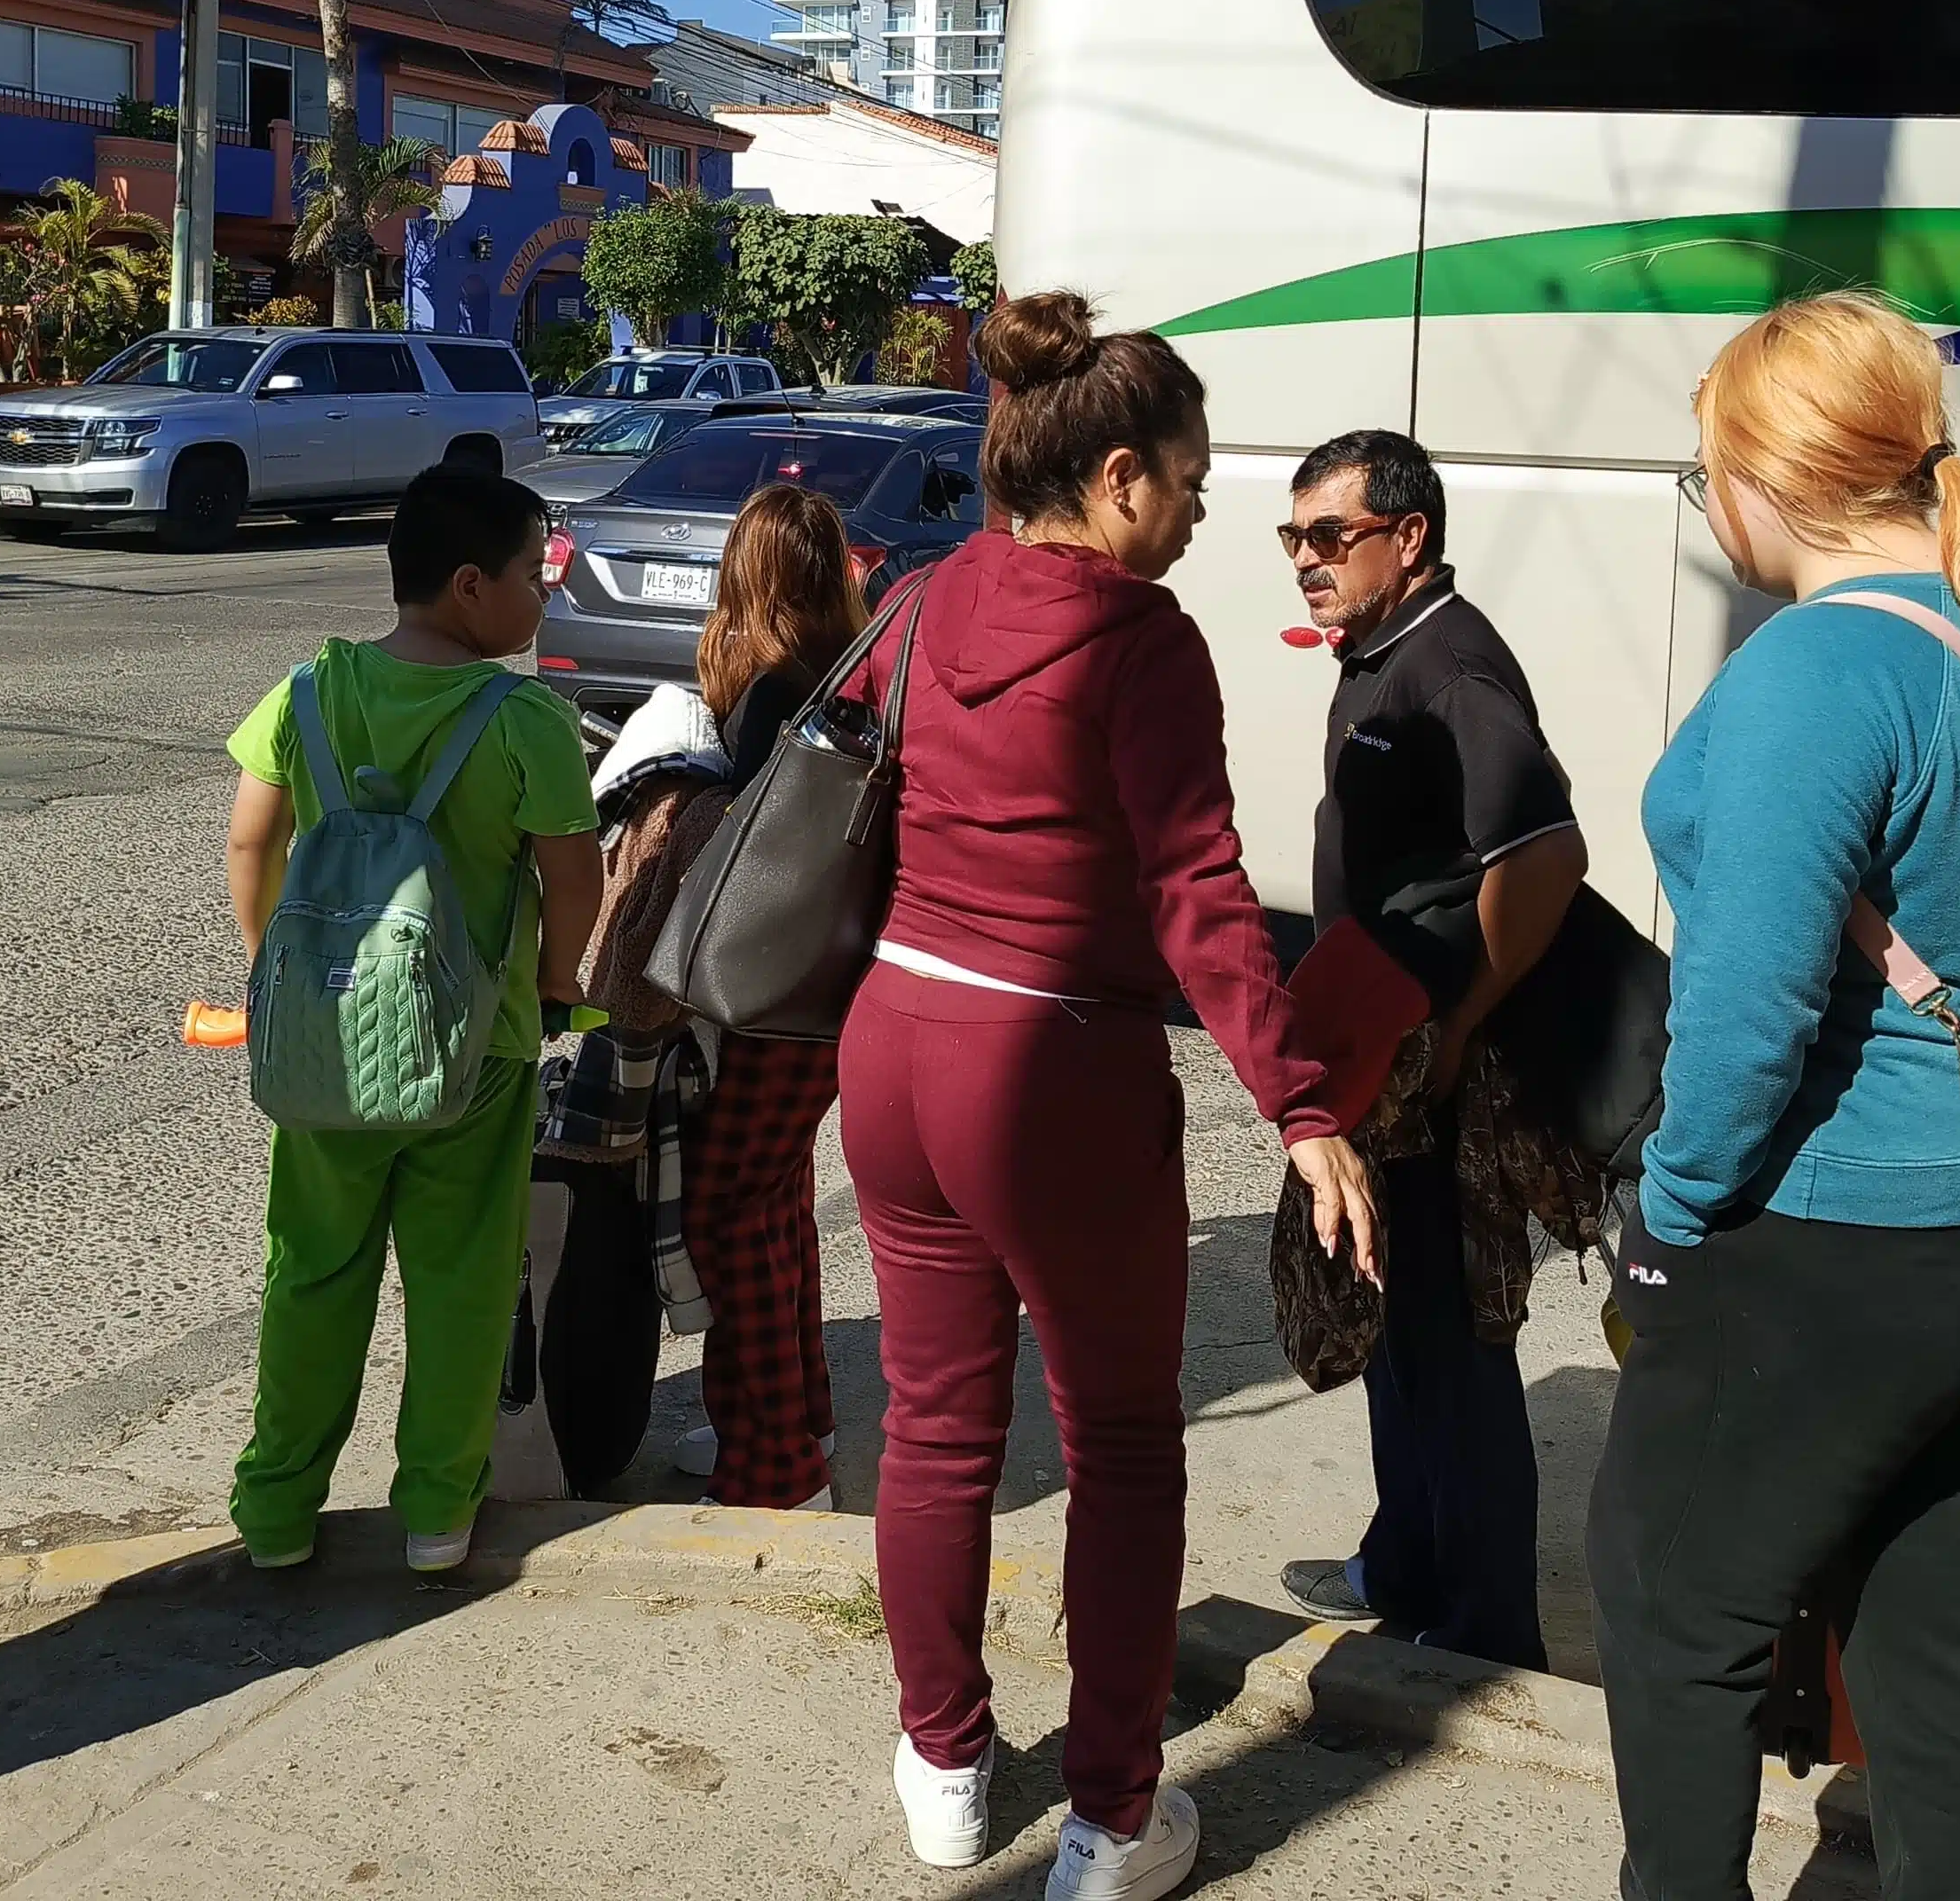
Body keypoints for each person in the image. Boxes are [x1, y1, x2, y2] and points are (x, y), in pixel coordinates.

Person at [841, 290, 1381, 1901]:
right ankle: (1109, 1821)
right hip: (1049, 1067)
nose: (1207, 514)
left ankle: (941, 1765)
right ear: (1122, 474)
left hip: (894, 1043)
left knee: (935, 1432)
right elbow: (1198, 891)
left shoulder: (926, 600)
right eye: (1196, 484)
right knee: (1125, 1447)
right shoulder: (1140, 641)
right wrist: (1299, 1103)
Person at [1590, 291, 1960, 1901]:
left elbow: (1744, 1017)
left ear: (1764, 470)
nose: (1711, 508)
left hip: (1830, 1234)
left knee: (1678, 1612)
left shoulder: (1814, 671)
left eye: (1704, 474)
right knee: (1922, 1617)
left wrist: (1668, 1218)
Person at [223, 466, 605, 1575]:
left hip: (322, 1051)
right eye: (534, 576)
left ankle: (277, 1516)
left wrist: (271, 973)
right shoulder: (522, 717)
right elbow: (569, 872)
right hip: (473, 1054)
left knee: (310, 1272)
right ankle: (437, 1518)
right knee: (460, 1283)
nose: (543, 599)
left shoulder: (304, 695)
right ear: (469, 586)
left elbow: (252, 839)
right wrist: (556, 979)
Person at [1273, 428, 1588, 1673]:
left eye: (1329, 535)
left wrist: (1460, 1024)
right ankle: (1402, 1568)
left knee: (1456, 1350)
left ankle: (1483, 1635)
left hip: (1440, 1073)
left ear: (1408, 538)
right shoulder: (1379, 652)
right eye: (1293, 537)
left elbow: (1546, 857)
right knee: (1394, 1324)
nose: (1305, 558)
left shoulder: (1451, 670)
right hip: (1380, 1062)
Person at [665, 481, 871, 1506]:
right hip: (832, 987)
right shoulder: (849, 673)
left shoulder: (767, 694)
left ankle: (774, 1464)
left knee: (727, 1213)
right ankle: (797, 1422)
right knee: (776, 1200)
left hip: (766, 994)